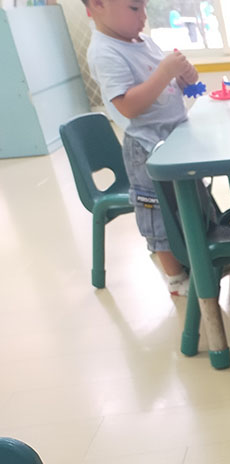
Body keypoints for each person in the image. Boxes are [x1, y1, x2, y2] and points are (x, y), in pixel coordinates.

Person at [83, 0, 198, 296]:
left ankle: (199, 259)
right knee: (157, 212)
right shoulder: (105, 51)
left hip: (174, 139)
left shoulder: (145, 42)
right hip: (145, 148)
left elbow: (166, 88)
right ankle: (175, 277)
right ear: (98, 5)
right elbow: (128, 106)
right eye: (134, 9)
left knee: (191, 200)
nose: (143, 16)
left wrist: (183, 78)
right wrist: (164, 73)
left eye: (144, 7)